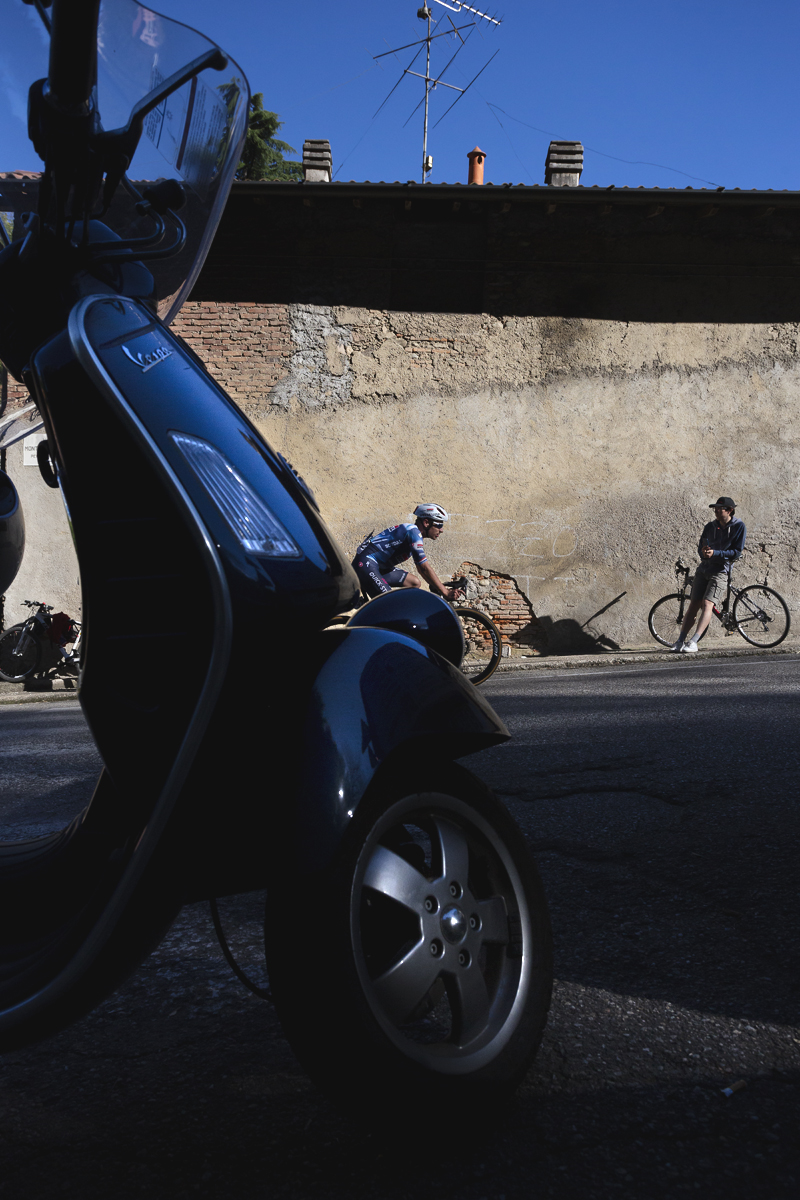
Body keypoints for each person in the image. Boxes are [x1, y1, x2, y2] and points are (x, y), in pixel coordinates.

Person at [671, 496, 746, 653]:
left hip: (720, 572)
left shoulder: (739, 526)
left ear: (729, 510)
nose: (716, 512)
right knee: (693, 605)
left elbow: (736, 552)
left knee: (707, 604)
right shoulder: (710, 526)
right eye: (715, 509)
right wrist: (704, 553)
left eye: (719, 509)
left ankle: (693, 642)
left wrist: (716, 553)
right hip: (704, 569)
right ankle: (679, 641)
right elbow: (701, 546)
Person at [352, 503, 458, 602]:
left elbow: (422, 571)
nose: (442, 530)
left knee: (414, 583)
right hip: (366, 564)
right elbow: (423, 568)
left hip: (378, 567)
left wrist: (437, 587)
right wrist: (445, 592)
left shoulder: (414, 534)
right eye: (439, 525)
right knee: (388, 604)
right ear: (426, 523)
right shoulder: (413, 533)